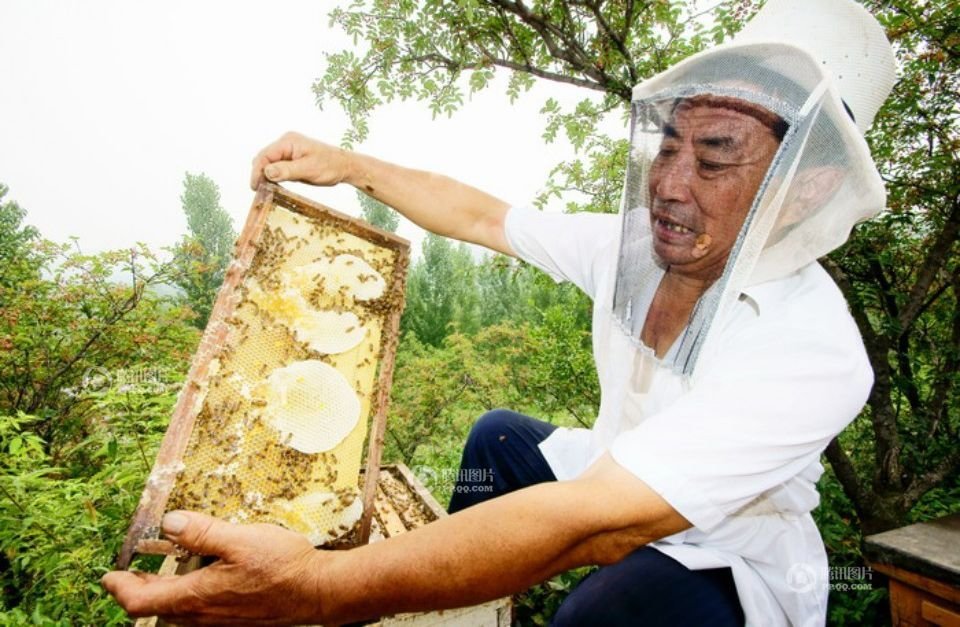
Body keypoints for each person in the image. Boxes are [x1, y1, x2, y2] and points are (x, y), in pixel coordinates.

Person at [103, 0, 897, 624]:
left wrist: (320, 585)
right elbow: (485, 217)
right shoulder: (636, 252)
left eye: (716, 154)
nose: (669, 183)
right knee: (497, 438)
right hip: (617, 474)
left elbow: (598, 524)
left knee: (598, 616)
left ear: (806, 187)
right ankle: (466, 607)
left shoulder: (810, 348)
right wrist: (351, 165)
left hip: (728, 548)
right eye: (669, 146)